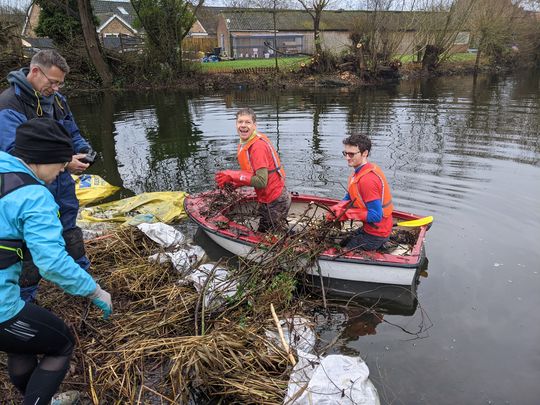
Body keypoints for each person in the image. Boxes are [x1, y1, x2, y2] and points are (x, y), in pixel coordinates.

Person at [0, 118, 112, 405]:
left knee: (22, 344)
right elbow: (51, 263)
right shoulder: (35, 197)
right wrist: (94, 290)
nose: (63, 169)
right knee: (61, 344)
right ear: (43, 158)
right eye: (61, 163)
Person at [0, 49, 94, 303]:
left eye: (60, 83)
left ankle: (81, 275)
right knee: (29, 243)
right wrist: (65, 161)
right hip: (27, 185)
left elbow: (71, 132)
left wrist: (83, 150)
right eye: (52, 82)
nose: (55, 87)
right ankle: (24, 297)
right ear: (34, 72)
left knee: (68, 226)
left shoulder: (58, 100)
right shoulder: (9, 104)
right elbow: (14, 153)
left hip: (59, 180)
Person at [215, 108, 291, 233]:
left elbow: (261, 181)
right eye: (240, 122)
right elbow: (252, 173)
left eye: (247, 122)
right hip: (271, 198)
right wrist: (236, 183)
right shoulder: (246, 143)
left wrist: (233, 175)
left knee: (270, 237)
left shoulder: (257, 147)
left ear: (254, 125)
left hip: (275, 201)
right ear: (236, 124)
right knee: (269, 231)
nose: (243, 125)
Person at [327, 134, 394, 251]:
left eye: (351, 154)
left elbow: (376, 216)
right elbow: (350, 196)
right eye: (345, 153)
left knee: (343, 251)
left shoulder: (368, 180)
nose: (347, 157)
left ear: (365, 153)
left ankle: (381, 246)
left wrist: (347, 214)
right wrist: (337, 208)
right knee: (341, 241)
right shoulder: (358, 172)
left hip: (377, 234)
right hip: (368, 229)